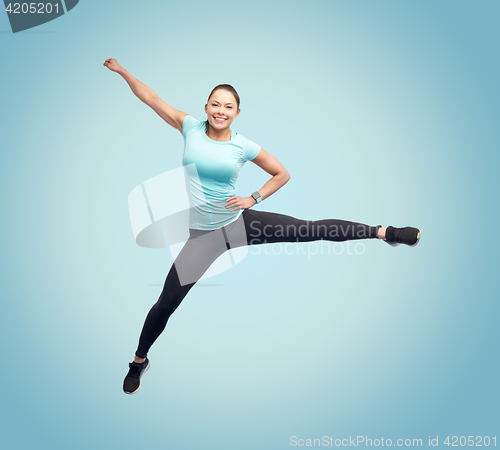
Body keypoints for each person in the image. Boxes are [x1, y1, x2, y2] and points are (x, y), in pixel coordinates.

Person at [103, 58, 422, 395]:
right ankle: (139, 362)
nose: (220, 111)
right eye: (215, 104)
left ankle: (384, 233)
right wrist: (124, 73)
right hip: (204, 238)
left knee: (309, 229)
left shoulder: (244, 145)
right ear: (206, 107)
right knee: (166, 303)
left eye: (228, 106)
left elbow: (281, 173)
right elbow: (151, 98)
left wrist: (253, 198)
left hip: (240, 223)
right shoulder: (189, 127)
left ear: (237, 112)